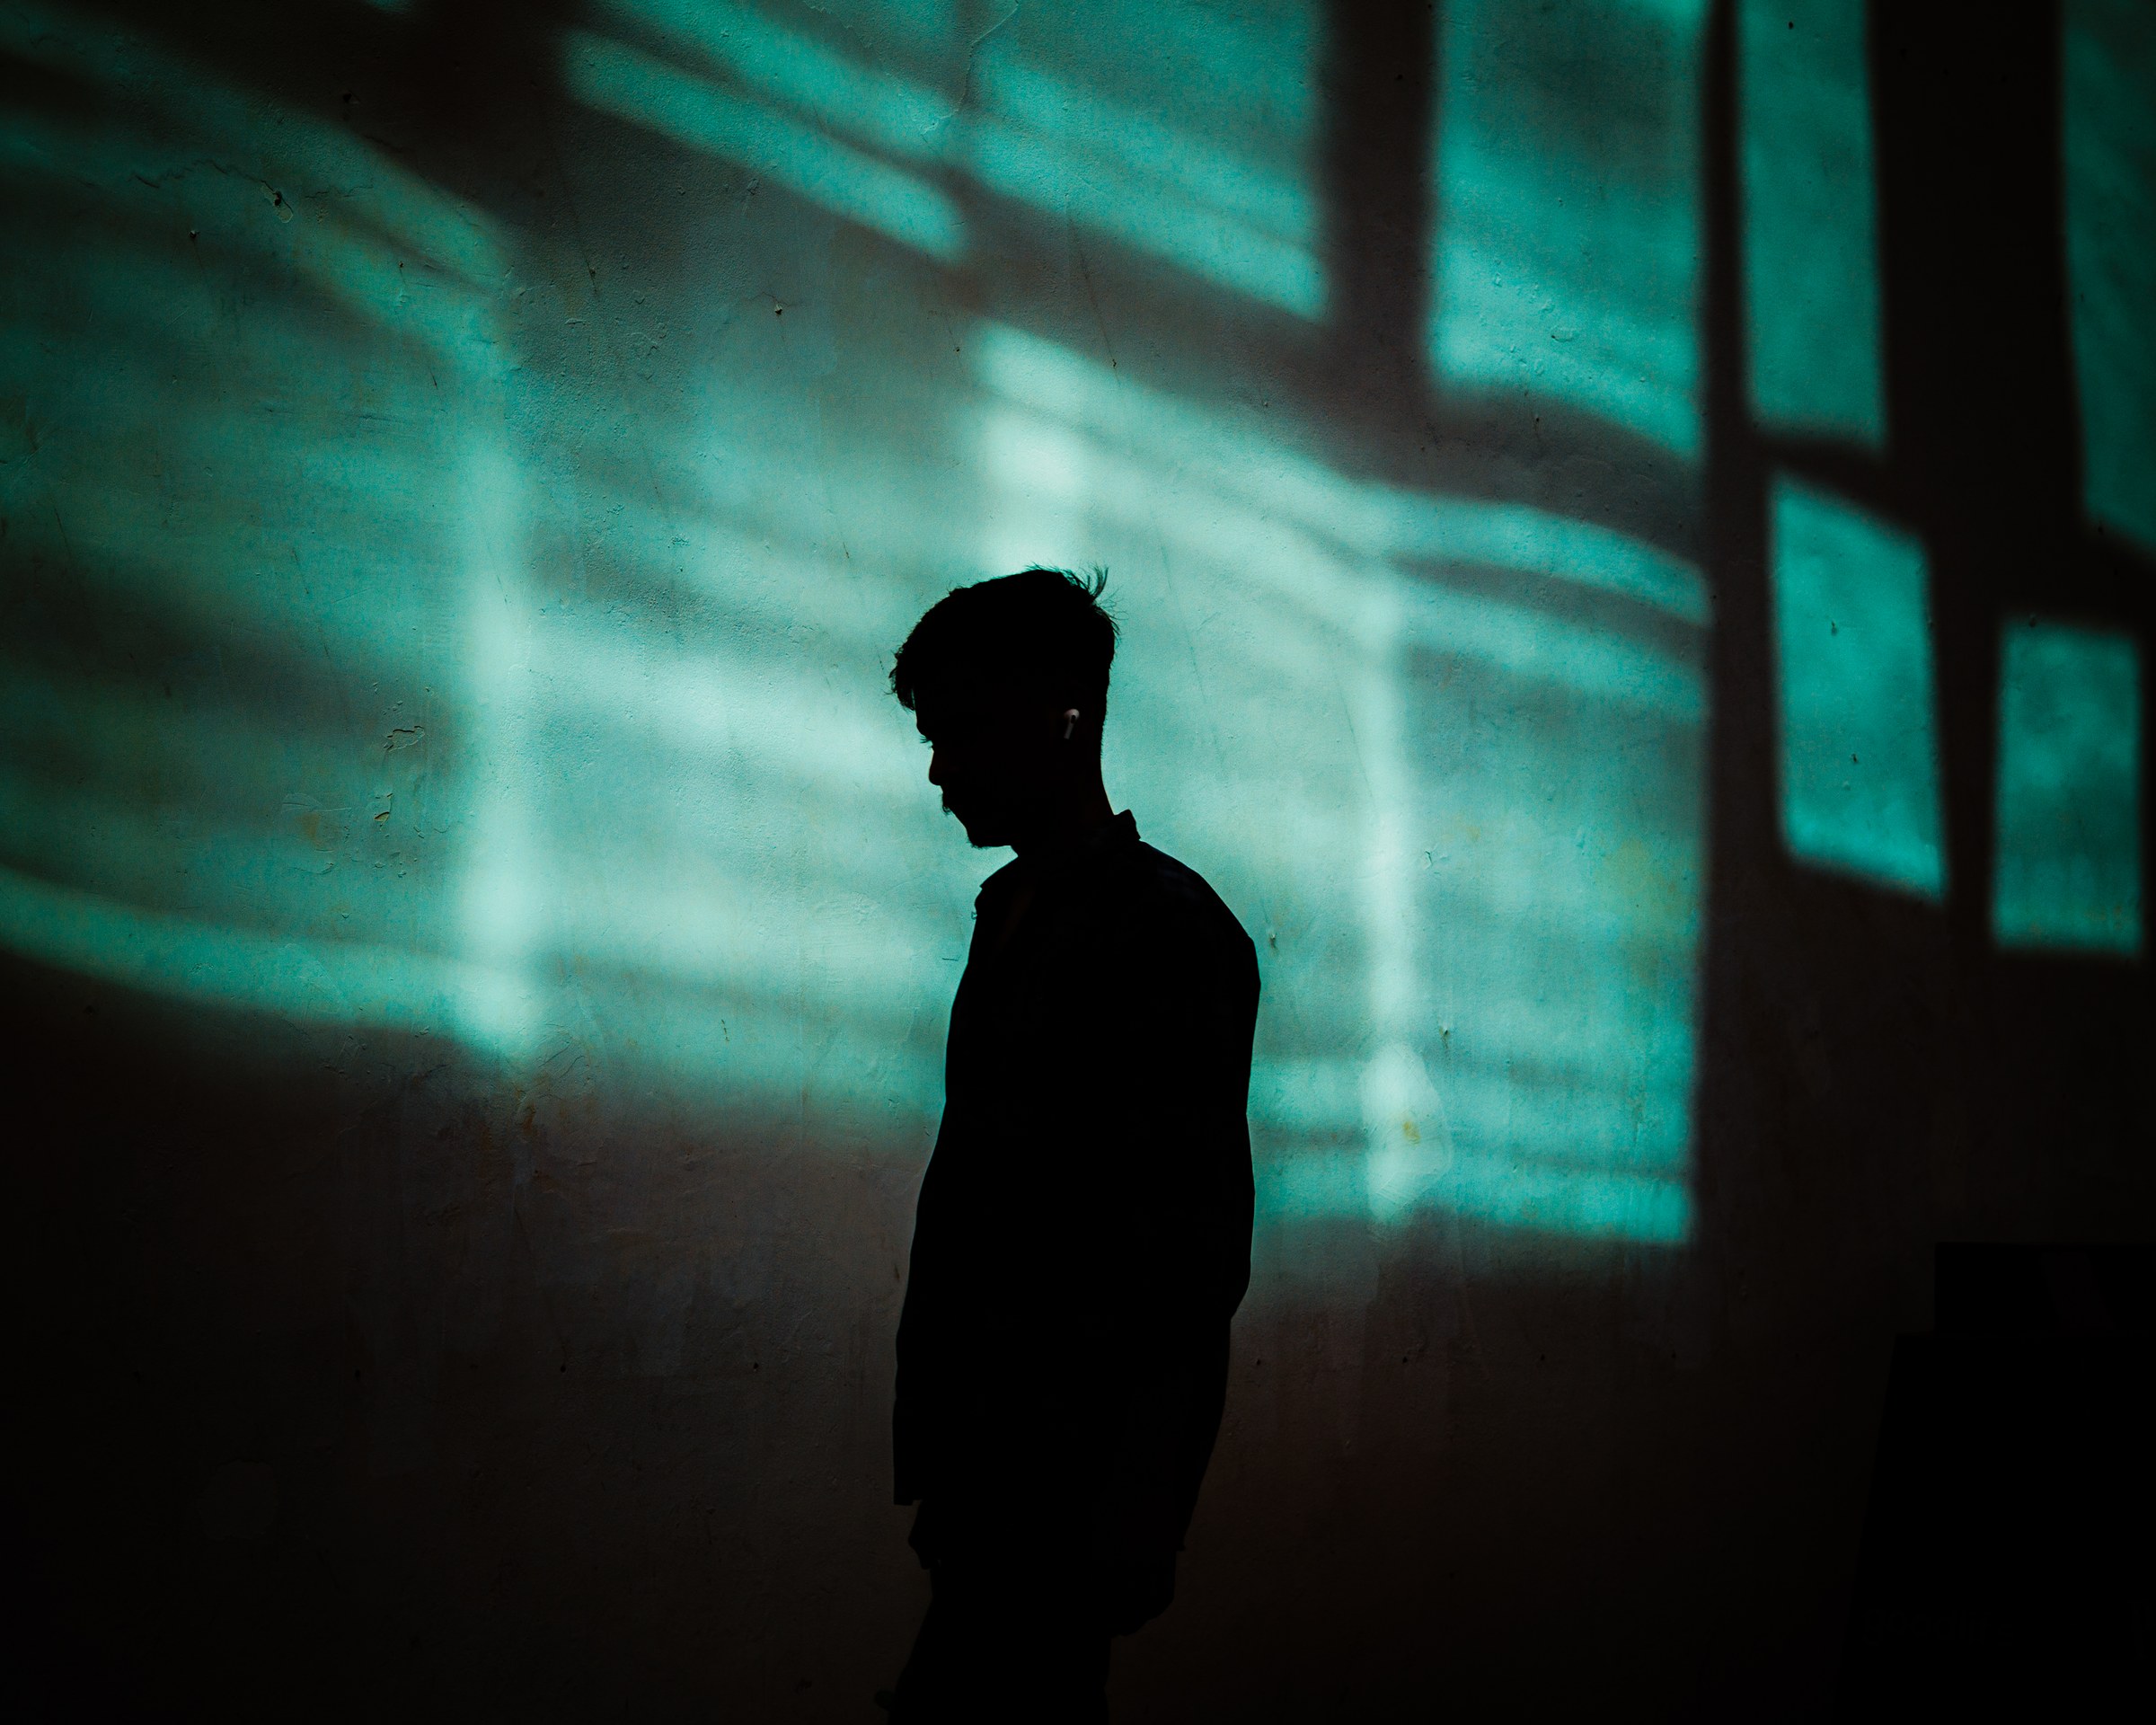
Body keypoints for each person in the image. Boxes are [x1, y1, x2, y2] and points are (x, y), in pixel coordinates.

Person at [882, 569, 1259, 1721]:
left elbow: (1190, 1255)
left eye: (961, 732)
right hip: (996, 1474)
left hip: (1060, 1482)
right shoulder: (1019, 915)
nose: (939, 770)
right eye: (932, 737)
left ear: (1066, 717)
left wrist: (1140, 1507)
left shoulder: (1166, 933)